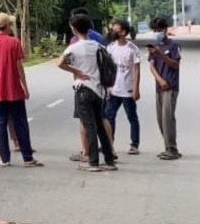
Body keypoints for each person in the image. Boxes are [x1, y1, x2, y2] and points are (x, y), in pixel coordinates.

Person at [57, 13, 117, 172]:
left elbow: (60, 63)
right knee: (100, 125)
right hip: (99, 90)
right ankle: (109, 160)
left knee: (89, 126)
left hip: (83, 89)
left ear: (74, 29)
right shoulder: (98, 46)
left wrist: (76, 71)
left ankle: (93, 161)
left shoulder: (74, 47)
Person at [0, 13, 42, 168]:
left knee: (1, 125)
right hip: (14, 91)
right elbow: (19, 67)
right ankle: (27, 158)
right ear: (7, 26)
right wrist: (25, 87)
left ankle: (5, 159)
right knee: (20, 124)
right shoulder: (14, 42)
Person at [104, 19, 141, 155]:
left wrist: (136, 89)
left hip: (128, 89)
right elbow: (107, 68)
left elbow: (136, 69)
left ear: (123, 32)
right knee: (109, 117)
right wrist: (107, 86)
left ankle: (134, 144)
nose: (112, 32)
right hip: (113, 89)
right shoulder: (110, 47)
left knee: (132, 117)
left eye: (116, 30)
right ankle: (109, 143)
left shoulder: (132, 49)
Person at [148, 16, 182, 160]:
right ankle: (167, 146)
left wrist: (160, 55)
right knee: (160, 119)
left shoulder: (173, 45)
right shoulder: (154, 46)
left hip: (171, 86)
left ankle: (172, 149)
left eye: (159, 30)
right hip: (159, 86)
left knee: (168, 118)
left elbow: (175, 64)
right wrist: (160, 80)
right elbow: (151, 66)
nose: (157, 33)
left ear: (165, 29)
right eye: (154, 30)